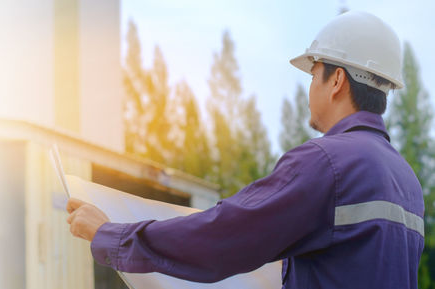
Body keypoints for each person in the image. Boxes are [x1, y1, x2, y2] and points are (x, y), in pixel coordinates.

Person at [66, 11, 424, 288]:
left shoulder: (327, 163)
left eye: (313, 74)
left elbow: (224, 234)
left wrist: (110, 235)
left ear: (336, 81)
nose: (309, 89)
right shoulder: (406, 181)